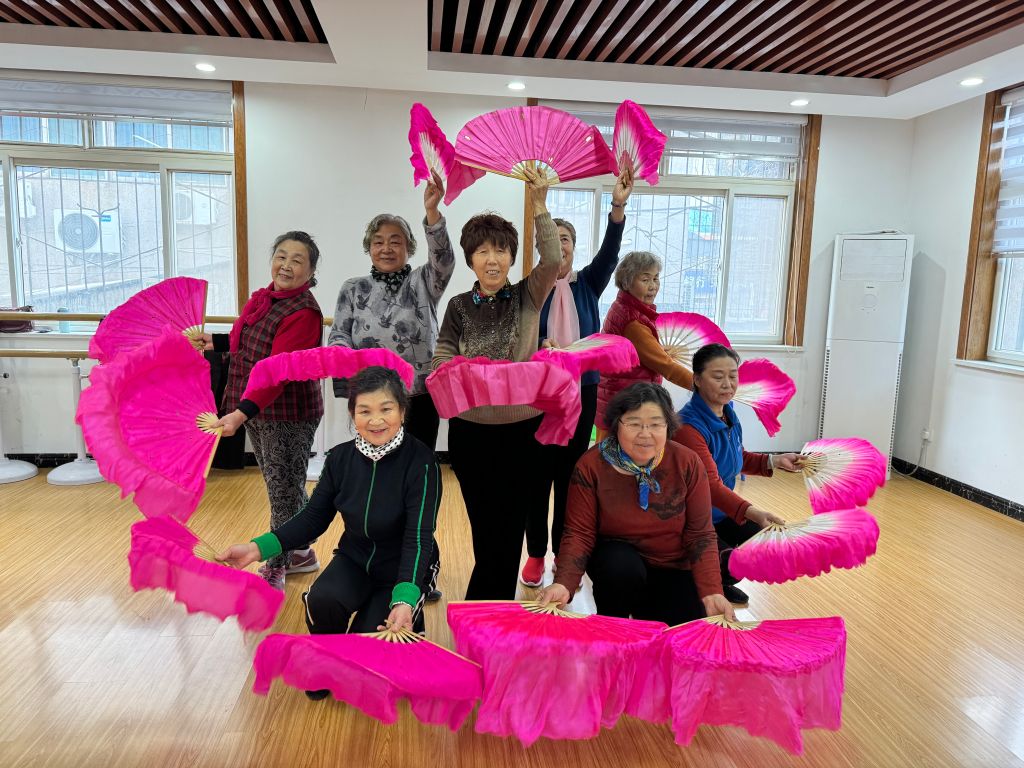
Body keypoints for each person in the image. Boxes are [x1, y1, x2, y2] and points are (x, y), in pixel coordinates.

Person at [217, 366, 442, 702]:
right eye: (364, 411)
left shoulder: (422, 463)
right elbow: (312, 518)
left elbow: (418, 538)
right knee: (322, 599)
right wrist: (256, 548)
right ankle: (327, 658)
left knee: (368, 652)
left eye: (386, 409)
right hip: (356, 558)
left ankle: (411, 627)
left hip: (404, 566)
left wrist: (406, 598)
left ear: (402, 411)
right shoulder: (340, 459)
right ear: (352, 414)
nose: (376, 420)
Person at [431, 166, 559, 601]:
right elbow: (443, 353)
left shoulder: (528, 295)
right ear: (471, 259)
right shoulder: (458, 306)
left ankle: (485, 607)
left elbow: (552, 260)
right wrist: (454, 370)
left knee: (511, 524)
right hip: (471, 433)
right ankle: (490, 609)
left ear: (511, 257)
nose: (492, 259)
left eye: (501, 250)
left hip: (524, 431)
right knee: (485, 525)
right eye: (483, 251)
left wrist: (539, 204)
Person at [521, 166, 635, 588]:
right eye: (554, 238)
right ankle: (535, 554)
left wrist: (617, 206)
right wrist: (541, 345)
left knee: (571, 478)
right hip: (540, 395)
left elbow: (610, 253)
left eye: (566, 238)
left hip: (582, 392)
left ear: (572, 247)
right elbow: (519, 339)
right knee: (536, 479)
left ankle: (563, 553)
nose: (561, 244)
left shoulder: (588, 283)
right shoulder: (530, 288)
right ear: (544, 247)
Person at [537, 382, 735, 624]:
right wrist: (564, 583)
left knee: (681, 631)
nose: (645, 434)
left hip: (673, 565)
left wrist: (712, 591)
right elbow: (579, 533)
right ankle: (613, 626)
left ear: (668, 426)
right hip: (619, 566)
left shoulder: (687, 462)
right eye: (633, 423)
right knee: (619, 567)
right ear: (616, 424)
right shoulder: (591, 465)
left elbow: (700, 533)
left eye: (655, 424)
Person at [202, 231, 324, 590]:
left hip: (287, 413)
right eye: (281, 256)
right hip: (258, 408)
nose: (286, 265)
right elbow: (249, 341)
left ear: (311, 271)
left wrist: (240, 414)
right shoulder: (265, 299)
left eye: (297, 260)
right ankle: (301, 550)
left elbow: (277, 373)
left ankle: (277, 563)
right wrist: (215, 341)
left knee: (283, 492)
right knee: (283, 484)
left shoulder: (304, 313)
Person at [328, 170, 455, 450]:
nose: (386, 248)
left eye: (395, 241)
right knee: (375, 464)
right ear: (369, 248)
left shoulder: (424, 281)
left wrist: (432, 211)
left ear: (409, 248)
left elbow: (444, 260)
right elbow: (339, 335)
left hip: (419, 394)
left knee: (417, 461)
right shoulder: (353, 288)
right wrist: (344, 357)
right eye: (378, 242)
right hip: (371, 395)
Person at [672, 343, 802, 604]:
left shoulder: (728, 414)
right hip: (689, 520)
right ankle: (699, 585)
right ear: (697, 379)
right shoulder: (688, 427)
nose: (728, 384)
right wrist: (753, 511)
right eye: (718, 377)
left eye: (733, 376)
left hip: (719, 512)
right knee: (733, 562)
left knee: (766, 542)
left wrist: (775, 460)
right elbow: (709, 485)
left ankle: (717, 583)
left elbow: (736, 457)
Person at [595, 251, 694, 439]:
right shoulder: (633, 322)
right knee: (620, 455)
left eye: (656, 279)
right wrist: (701, 385)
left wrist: (656, 351)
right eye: (645, 279)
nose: (653, 286)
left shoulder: (623, 307)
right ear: (627, 282)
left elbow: (632, 353)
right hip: (627, 405)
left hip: (618, 399)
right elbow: (667, 367)